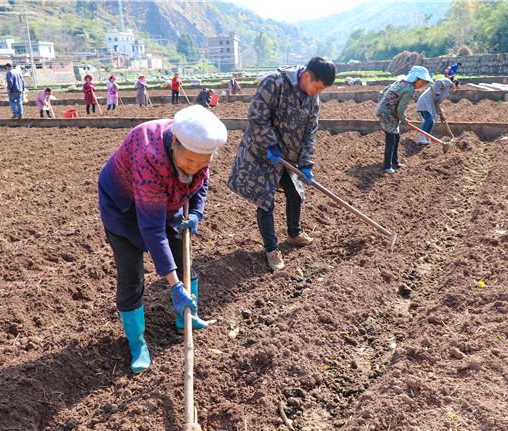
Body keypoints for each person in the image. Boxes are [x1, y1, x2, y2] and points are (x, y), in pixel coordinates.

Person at [97, 105, 227, 373]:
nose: (194, 167)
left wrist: (197, 214)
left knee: (183, 254)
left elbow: (201, 183)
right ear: (174, 143)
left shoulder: (199, 148)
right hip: (124, 209)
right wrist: (174, 285)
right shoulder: (150, 156)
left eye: (201, 162)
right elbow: (153, 230)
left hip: (167, 203)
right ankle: (137, 344)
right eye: (188, 161)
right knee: (132, 275)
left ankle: (186, 318)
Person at [228, 56, 336, 272]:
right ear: (306, 76)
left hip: (288, 158)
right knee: (265, 201)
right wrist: (270, 145)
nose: (319, 92)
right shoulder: (274, 83)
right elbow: (257, 117)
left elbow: (309, 132)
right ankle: (271, 249)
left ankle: (294, 234)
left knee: (296, 194)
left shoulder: (312, 99)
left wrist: (305, 163)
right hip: (261, 154)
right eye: (319, 86)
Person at [374, 65, 433, 174]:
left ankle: (395, 162)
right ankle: (387, 166)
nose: (423, 84)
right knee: (391, 138)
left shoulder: (401, 82)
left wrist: (382, 105)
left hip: (387, 111)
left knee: (396, 136)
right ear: (417, 79)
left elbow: (382, 92)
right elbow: (401, 109)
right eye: (423, 81)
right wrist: (403, 119)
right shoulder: (409, 90)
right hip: (388, 114)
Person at [415, 77, 459, 144]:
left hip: (430, 104)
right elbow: (438, 82)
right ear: (454, 84)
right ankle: (421, 138)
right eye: (456, 87)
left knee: (431, 121)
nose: (455, 90)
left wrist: (441, 114)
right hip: (425, 102)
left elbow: (437, 103)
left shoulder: (447, 91)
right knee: (429, 120)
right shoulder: (448, 82)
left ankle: (427, 137)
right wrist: (437, 94)